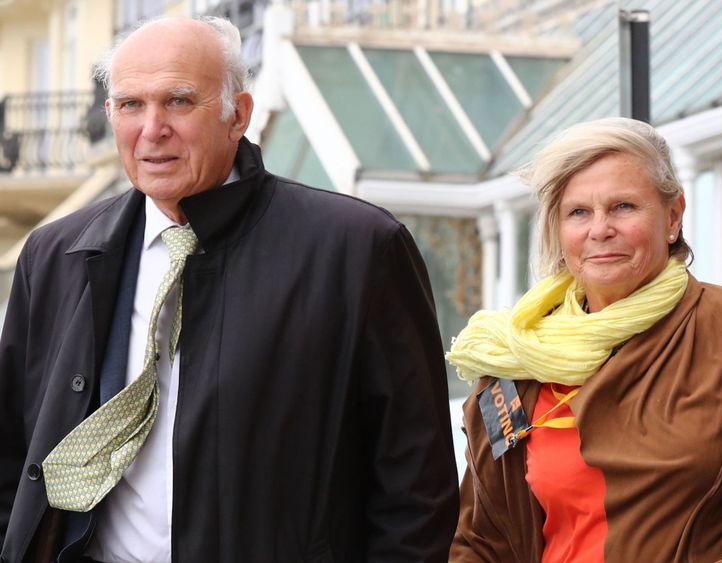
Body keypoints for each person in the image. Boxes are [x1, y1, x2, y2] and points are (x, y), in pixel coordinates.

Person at [0, 16, 458, 563]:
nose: (152, 129)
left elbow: (416, 489)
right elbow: (11, 453)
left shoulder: (359, 250)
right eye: (130, 105)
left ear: (238, 114)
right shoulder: (53, 256)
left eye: (178, 101)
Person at [446, 117, 722, 562]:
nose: (600, 229)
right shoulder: (516, 360)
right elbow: (481, 541)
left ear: (673, 216)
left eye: (624, 206)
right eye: (578, 212)